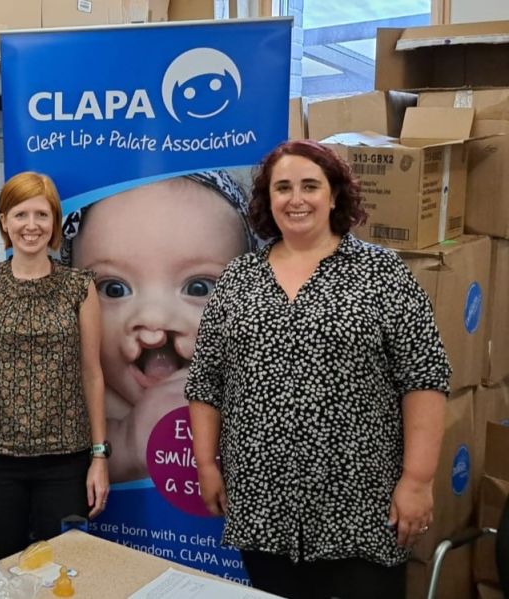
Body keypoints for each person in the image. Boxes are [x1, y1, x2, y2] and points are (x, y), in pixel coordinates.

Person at [185, 140, 451, 599]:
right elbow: (207, 379)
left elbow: (424, 378)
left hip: (361, 504)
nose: (297, 198)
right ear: (268, 200)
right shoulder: (239, 279)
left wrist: (417, 480)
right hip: (262, 503)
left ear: (334, 195)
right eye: (282, 187)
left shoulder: (381, 273)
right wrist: (207, 465)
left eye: (311, 185)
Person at [0, 171, 109, 561]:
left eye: (42, 215)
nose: (31, 226)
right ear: (4, 221)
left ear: (55, 222)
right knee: (3, 560)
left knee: (63, 563)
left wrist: (100, 456)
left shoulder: (79, 287)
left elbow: (92, 372)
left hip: (64, 459)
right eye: (20, 214)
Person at [63, 172, 255, 482]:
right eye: (114, 289)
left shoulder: (247, 383)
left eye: (198, 288)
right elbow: (58, 470)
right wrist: (126, 444)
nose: (154, 318)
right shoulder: (79, 397)